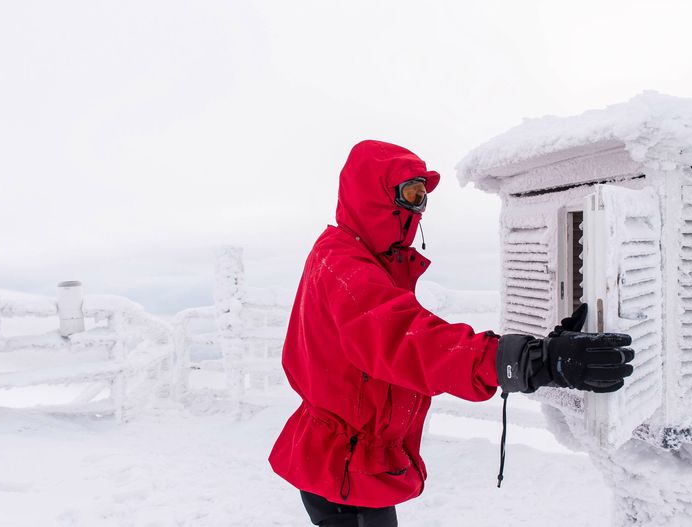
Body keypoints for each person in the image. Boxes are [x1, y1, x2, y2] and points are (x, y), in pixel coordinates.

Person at [269, 140, 635, 527]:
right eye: (410, 193)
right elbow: (407, 339)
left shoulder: (360, 258)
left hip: (353, 462)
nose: (419, 208)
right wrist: (527, 359)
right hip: (344, 465)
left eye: (422, 195)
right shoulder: (344, 264)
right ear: (370, 192)